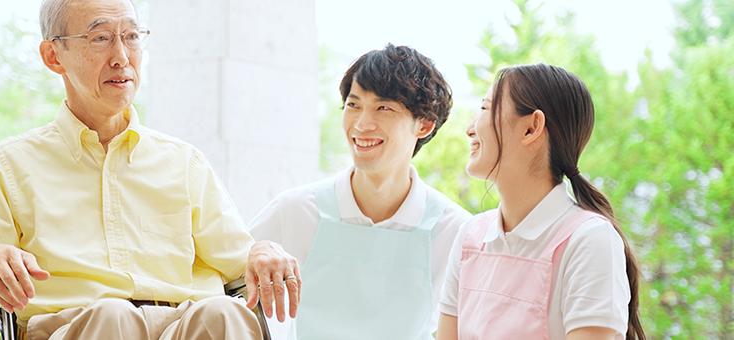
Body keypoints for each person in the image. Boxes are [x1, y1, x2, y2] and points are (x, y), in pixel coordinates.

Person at [0, 0, 299, 339]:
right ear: (53, 55)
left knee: (226, 314)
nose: (122, 57)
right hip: (83, 325)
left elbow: (240, 261)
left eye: (131, 37)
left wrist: (262, 250)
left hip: (184, 323)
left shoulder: (184, 162)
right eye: (101, 38)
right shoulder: (10, 164)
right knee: (113, 317)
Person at [249, 44, 473, 339]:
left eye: (383, 108)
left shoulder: (456, 230)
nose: (361, 124)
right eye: (353, 105)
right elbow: (223, 282)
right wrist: (253, 251)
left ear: (425, 124)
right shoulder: (295, 210)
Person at [435, 63, 645, 340]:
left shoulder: (589, 240)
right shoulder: (469, 237)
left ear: (531, 128)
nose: (470, 128)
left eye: (485, 109)